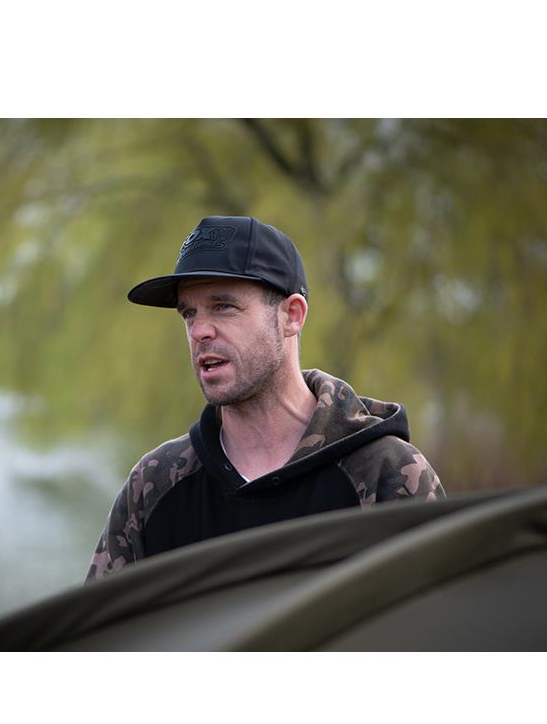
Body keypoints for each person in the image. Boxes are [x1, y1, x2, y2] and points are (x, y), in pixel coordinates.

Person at [86, 216, 445, 581]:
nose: (199, 331)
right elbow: (106, 618)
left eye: (224, 306)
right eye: (189, 313)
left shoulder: (387, 471)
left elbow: (441, 610)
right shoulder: (154, 485)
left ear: (292, 316)